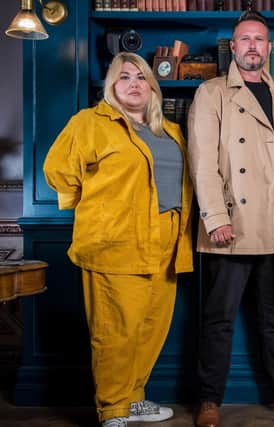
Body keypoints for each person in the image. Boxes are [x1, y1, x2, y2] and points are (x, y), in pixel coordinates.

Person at [42, 52, 194, 427]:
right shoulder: (90, 123)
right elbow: (57, 171)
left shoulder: (169, 131)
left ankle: (133, 398)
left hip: (168, 238)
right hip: (116, 240)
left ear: (152, 87)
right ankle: (112, 410)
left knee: (150, 328)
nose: (134, 83)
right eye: (124, 76)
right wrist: (101, 209)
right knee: (116, 332)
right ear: (111, 85)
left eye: (141, 77)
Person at [187, 10, 274, 427]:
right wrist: (215, 217)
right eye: (245, 40)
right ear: (233, 47)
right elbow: (203, 163)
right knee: (219, 319)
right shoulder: (212, 93)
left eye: (260, 40)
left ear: (269, 48)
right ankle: (209, 400)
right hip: (232, 225)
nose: (253, 46)